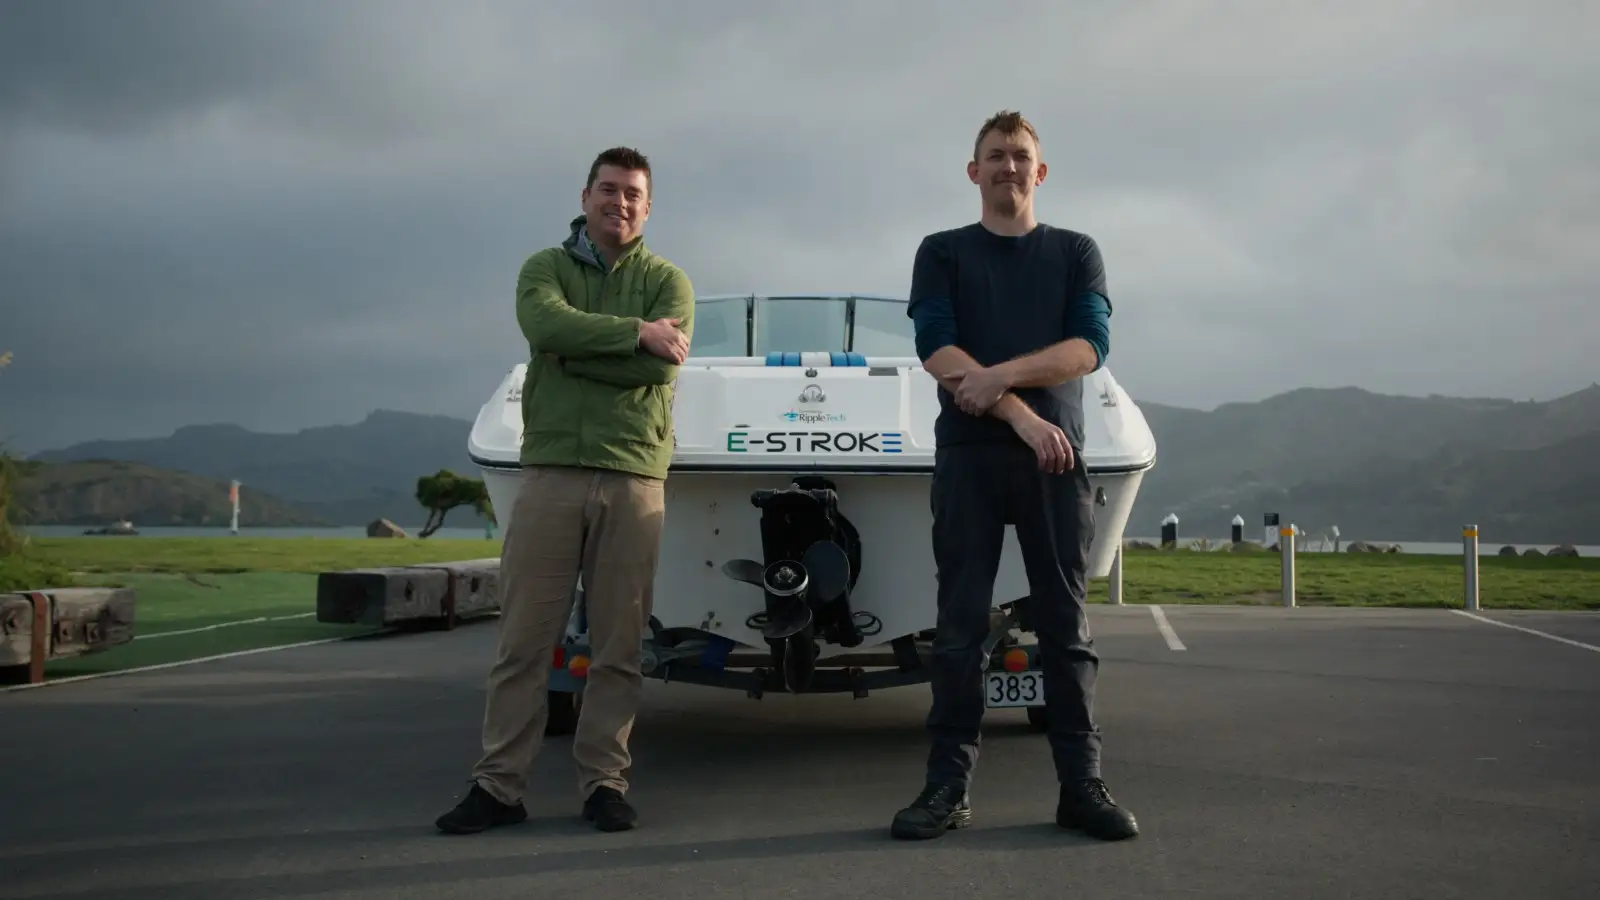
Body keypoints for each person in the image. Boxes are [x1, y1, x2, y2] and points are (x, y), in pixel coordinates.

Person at [889, 111, 1139, 842]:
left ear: (1041, 171)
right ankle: (946, 789)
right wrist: (1024, 419)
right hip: (976, 460)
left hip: (1055, 467)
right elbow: (937, 348)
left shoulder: (1075, 253)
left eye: (1021, 156)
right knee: (961, 630)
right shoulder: (942, 253)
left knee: (1066, 628)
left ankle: (1081, 787)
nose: (1009, 167)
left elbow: (1089, 346)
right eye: (995, 156)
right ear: (975, 172)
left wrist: (997, 377)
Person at [435, 146, 695, 835]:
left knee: (617, 645)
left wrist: (576, 355)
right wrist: (634, 337)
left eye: (634, 193)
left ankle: (604, 783)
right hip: (549, 472)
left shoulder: (670, 282)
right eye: (608, 190)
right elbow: (544, 327)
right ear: (584, 197)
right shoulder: (543, 269)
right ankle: (498, 786)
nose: (621, 203)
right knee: (525, 641)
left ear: (648, 206)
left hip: (634, 476)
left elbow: (662, 376)